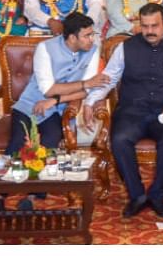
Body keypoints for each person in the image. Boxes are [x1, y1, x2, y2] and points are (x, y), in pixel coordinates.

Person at [82, 2, 163, 219]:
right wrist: (90, 101)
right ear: (139, 25)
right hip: (132, 111)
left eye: (155, 26)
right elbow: (109, 78)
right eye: (145, 26)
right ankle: (136, 196)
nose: (150, 31)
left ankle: (157, 195)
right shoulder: (126, 47)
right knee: (119, 139)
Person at [8, 11, 104, 154]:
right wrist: (84, 83)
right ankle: (12, 175)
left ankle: (44, 176)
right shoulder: (45, 48)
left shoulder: (93, 51)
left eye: (92, 34)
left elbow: (88, 90)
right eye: (87, 36)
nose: (92, 39)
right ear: (72, 38)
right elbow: (48, 90)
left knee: (50, 143)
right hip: (31, 104)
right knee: (18, 144)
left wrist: (56, 100)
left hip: (59, 110)